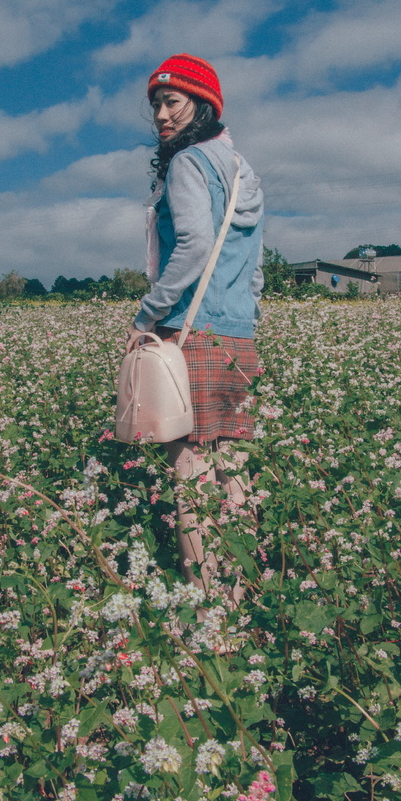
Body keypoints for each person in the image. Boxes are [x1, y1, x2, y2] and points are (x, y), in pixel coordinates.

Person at [125, 53, 264, 605]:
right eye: (156, 103)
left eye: (172, 101)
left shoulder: (188, 164)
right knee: (233, 469)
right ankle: (242, 595)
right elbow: (250, 270)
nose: (161, 114)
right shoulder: (240, 168)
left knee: (191, 471)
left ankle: (208, 608)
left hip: (193, 334)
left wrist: (145, 317)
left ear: (202, 104)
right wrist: (244, 320)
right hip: (237, 337)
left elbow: (195, 246)